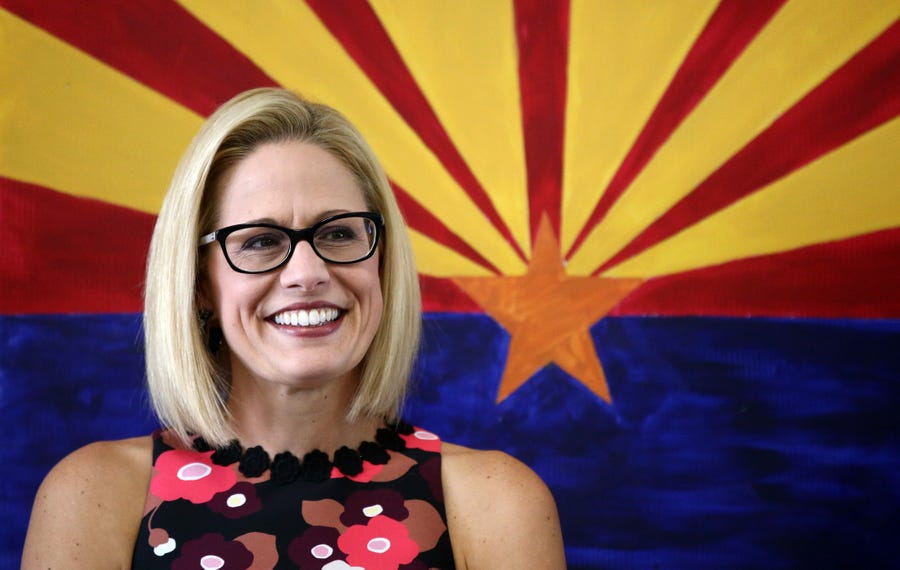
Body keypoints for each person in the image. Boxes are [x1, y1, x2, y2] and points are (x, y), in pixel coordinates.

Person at [22, 88, 565, 569]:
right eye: (259, 241)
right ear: (200, 284)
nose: (308, 274)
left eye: (339, 234)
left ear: (383, 262)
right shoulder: (95, 496)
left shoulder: (495, 503)